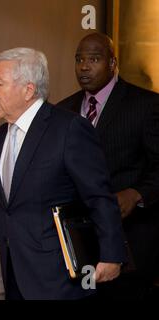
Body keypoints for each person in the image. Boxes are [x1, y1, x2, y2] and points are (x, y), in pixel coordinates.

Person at [0, 48, 127, 300]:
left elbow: (98, 197)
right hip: (14, 276)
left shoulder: (69, 129)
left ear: (28, 90)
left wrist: (111, 255)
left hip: (61, 279)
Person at [57, 32, 159, 299]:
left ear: (113, 63)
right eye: (79, 59)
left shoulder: (146, 105)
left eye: (94, 59)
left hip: (131, 240)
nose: (84, 66)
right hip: (78, 242)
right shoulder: (62, 110)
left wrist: (137, 194)